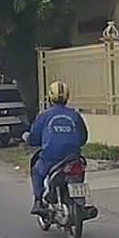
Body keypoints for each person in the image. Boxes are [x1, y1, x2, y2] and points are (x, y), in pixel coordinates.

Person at [26, 80, 89, 214]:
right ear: (67, 97)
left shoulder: (44, 116)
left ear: (50, 97)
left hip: (50, 157)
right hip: (73, 157)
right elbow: (83, 138)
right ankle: (80, 201)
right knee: (79, 172)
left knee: (37, 171)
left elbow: (34, 138)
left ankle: (38, 201)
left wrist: (28, 139)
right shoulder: (75, 115)